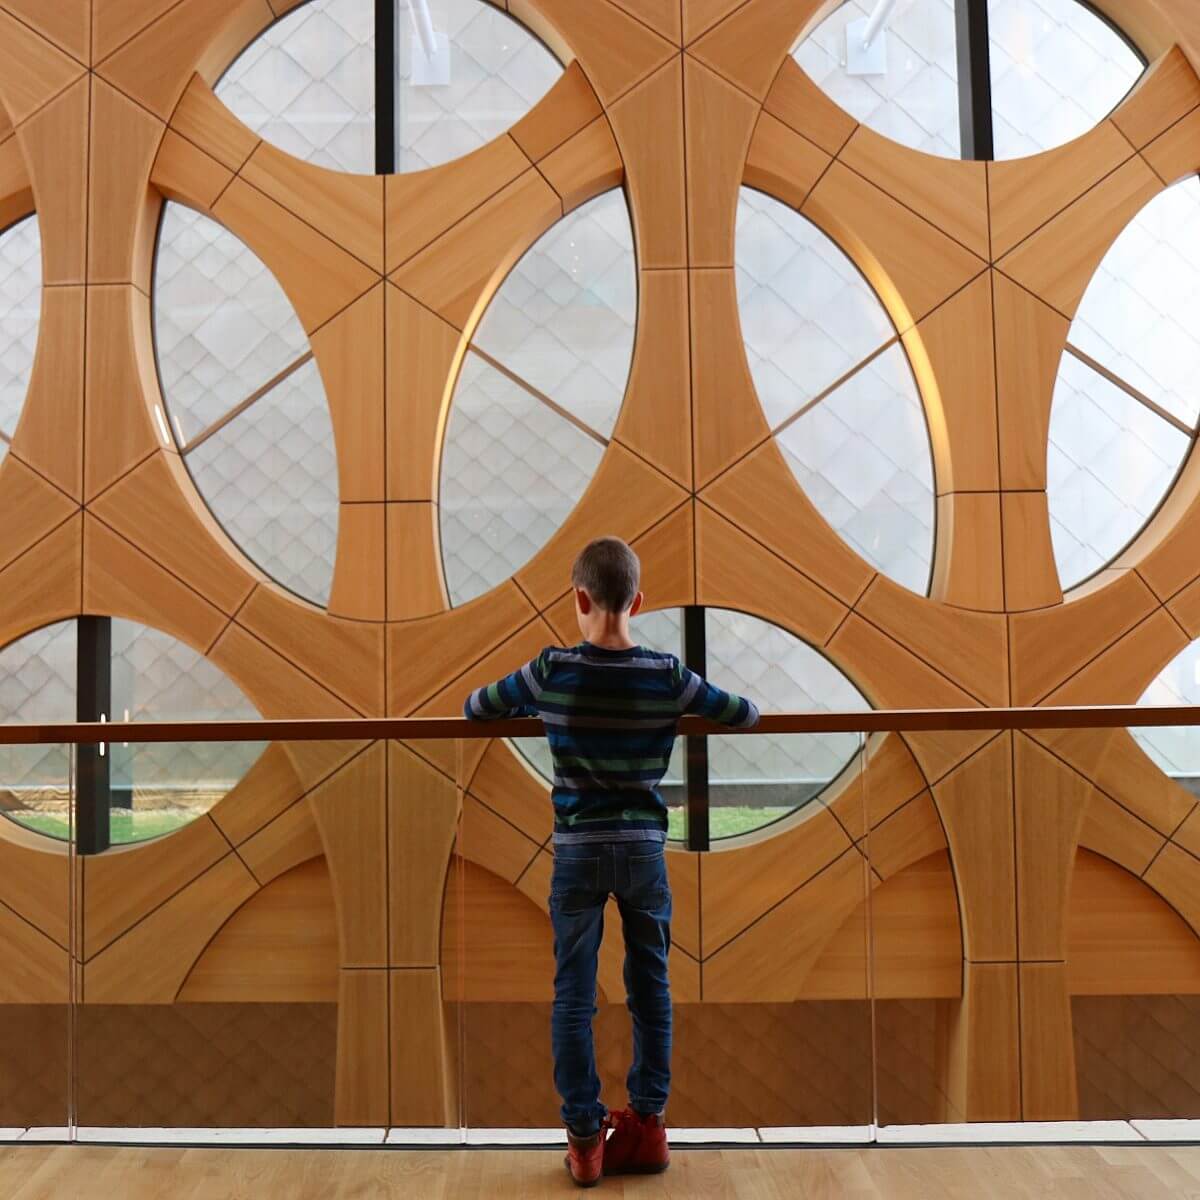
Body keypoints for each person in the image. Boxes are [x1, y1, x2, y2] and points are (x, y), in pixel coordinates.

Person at [464, 536, 760, 1186]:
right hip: (644, 851)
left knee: (573, 996)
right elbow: (744, 714)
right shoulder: (666, 673)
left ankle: (584, 1140)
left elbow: (477, 707)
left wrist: (537, 707)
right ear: (638, 601)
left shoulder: (551, 670)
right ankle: (648, 1127)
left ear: (579, 597)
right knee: (650, 986)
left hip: (576, 851)